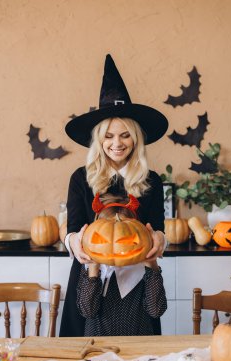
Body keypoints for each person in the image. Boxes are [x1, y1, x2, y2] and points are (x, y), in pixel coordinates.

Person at [59, 54, 169, 337]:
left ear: (136, 139)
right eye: (108, 136)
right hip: (90, 277)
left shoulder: (151, 181)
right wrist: (76, 242)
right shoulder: (81, 179)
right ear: (98, 140)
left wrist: (159, 239)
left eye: (125, 135)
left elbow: (158, 228)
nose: (116, 143)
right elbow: (73, 229)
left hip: (139, 283)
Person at [76, 193, 167, 336]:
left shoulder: (143, 269)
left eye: (125, 239)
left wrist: (151, 263)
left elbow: (156, 310)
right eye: (103, 239)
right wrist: (94, 266)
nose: (114, 245)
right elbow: (88, 310)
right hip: (98, 345)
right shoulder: (91, 270)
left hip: (138, 346)